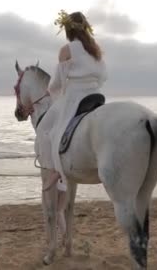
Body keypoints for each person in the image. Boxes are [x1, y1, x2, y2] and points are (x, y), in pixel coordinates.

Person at [41, 10, 107, 192]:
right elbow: (103, 76)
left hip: (75, 96)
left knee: (47, 128)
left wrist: (51, 91)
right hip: (96, 94)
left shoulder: (66, 50)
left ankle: (55, 170)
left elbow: (59, 82)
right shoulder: (95, 48)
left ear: (68, 30)